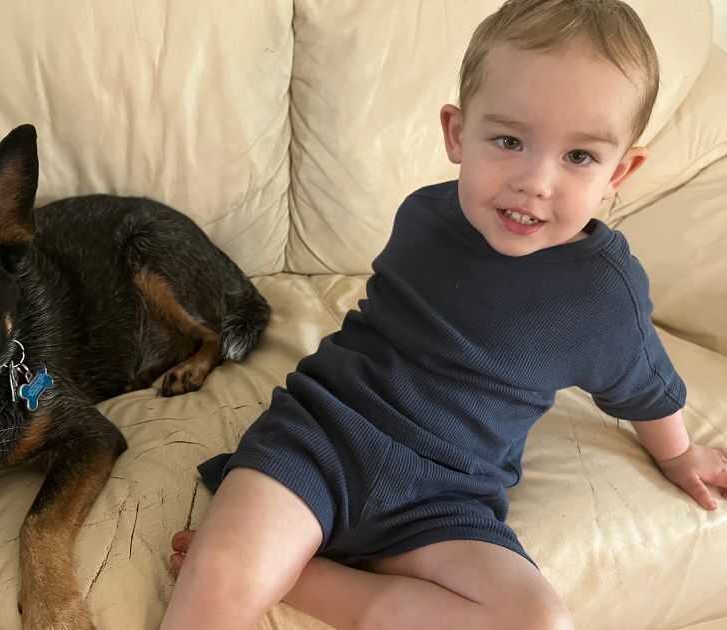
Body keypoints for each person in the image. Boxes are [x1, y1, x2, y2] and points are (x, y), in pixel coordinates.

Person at [160, 1, 727, 628]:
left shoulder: (603, 294)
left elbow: (643, 384)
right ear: (457, 133)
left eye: (579, 157)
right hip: (322, 438)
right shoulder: (424, 215)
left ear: (621, 170)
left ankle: (305, 576)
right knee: (220, 579)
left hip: (447, 498)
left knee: (539, 622)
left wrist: (678, 457)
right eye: (509, 141)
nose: (535, 181)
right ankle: (263, 560)